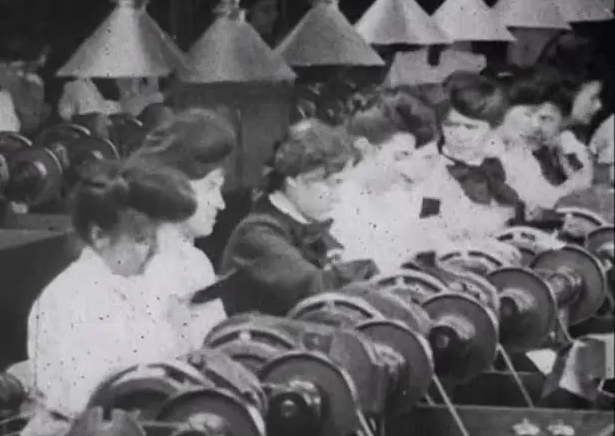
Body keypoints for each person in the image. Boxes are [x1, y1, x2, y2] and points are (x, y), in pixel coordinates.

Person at [0, 157, 199, 436]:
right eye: (140, 240)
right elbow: (90, 397)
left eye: (154, 239)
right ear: (99, 235)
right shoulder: (69, 298)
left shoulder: (139, 289)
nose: (151, 251)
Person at [219, 119, 377, 317]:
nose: (337, 197)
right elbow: (316, 288)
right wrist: (367, 270)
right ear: (294, 181)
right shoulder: (257, 234)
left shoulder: (303, 224)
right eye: (332, 184)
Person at [130, 109, 236, 350]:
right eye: (211, 187)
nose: (221, 203)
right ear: (173, 185)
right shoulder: (138, 269)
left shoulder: (196, 261)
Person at [330, 89, 450, 273]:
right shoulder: (338, 204)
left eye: (409, 155)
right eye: (399, 157)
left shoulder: (397, 192)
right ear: (364, 148)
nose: (405, 167)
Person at [420, 71, 520, 242]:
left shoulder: (500, 164)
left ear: (493, 128)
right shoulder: (433, 170)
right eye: (451, 125)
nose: (460, 135)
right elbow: (427, 223)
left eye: (471, 127)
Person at [495, 68, 593, 211]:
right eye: (528, 114)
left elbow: (548, 197)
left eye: (545, 119)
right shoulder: (492, 154)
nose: (535, 125)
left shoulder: (527, 154)